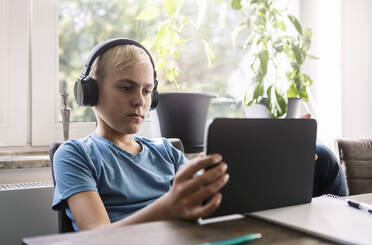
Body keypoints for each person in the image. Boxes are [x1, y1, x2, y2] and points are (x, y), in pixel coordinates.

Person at [52, 38, 347, 231]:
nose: (140, 100)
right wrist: (168, 208)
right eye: (126, 88)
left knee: (323, 158)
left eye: (146, 90)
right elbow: (97, 237)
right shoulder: (76, 154)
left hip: (195, 239)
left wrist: (279, 165)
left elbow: (217, 200)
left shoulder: (165, 151)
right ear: (89, 93)